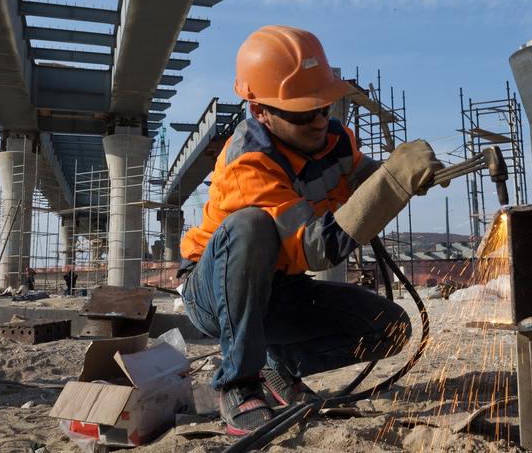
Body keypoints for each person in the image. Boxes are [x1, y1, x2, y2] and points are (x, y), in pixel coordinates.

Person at [178, 25, 442, 435]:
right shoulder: (249, 162)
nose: (319, 119)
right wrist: (392, 183)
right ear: (260, 110)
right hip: (214, 292)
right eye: (303, 112)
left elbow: (362, 179)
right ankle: (237, 382)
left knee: (389, 329)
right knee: (251, 226)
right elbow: (317, 249)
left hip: (279, 289)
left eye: (323, 105)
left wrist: (406, 175)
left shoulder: (335, 139)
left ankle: (272, 366)